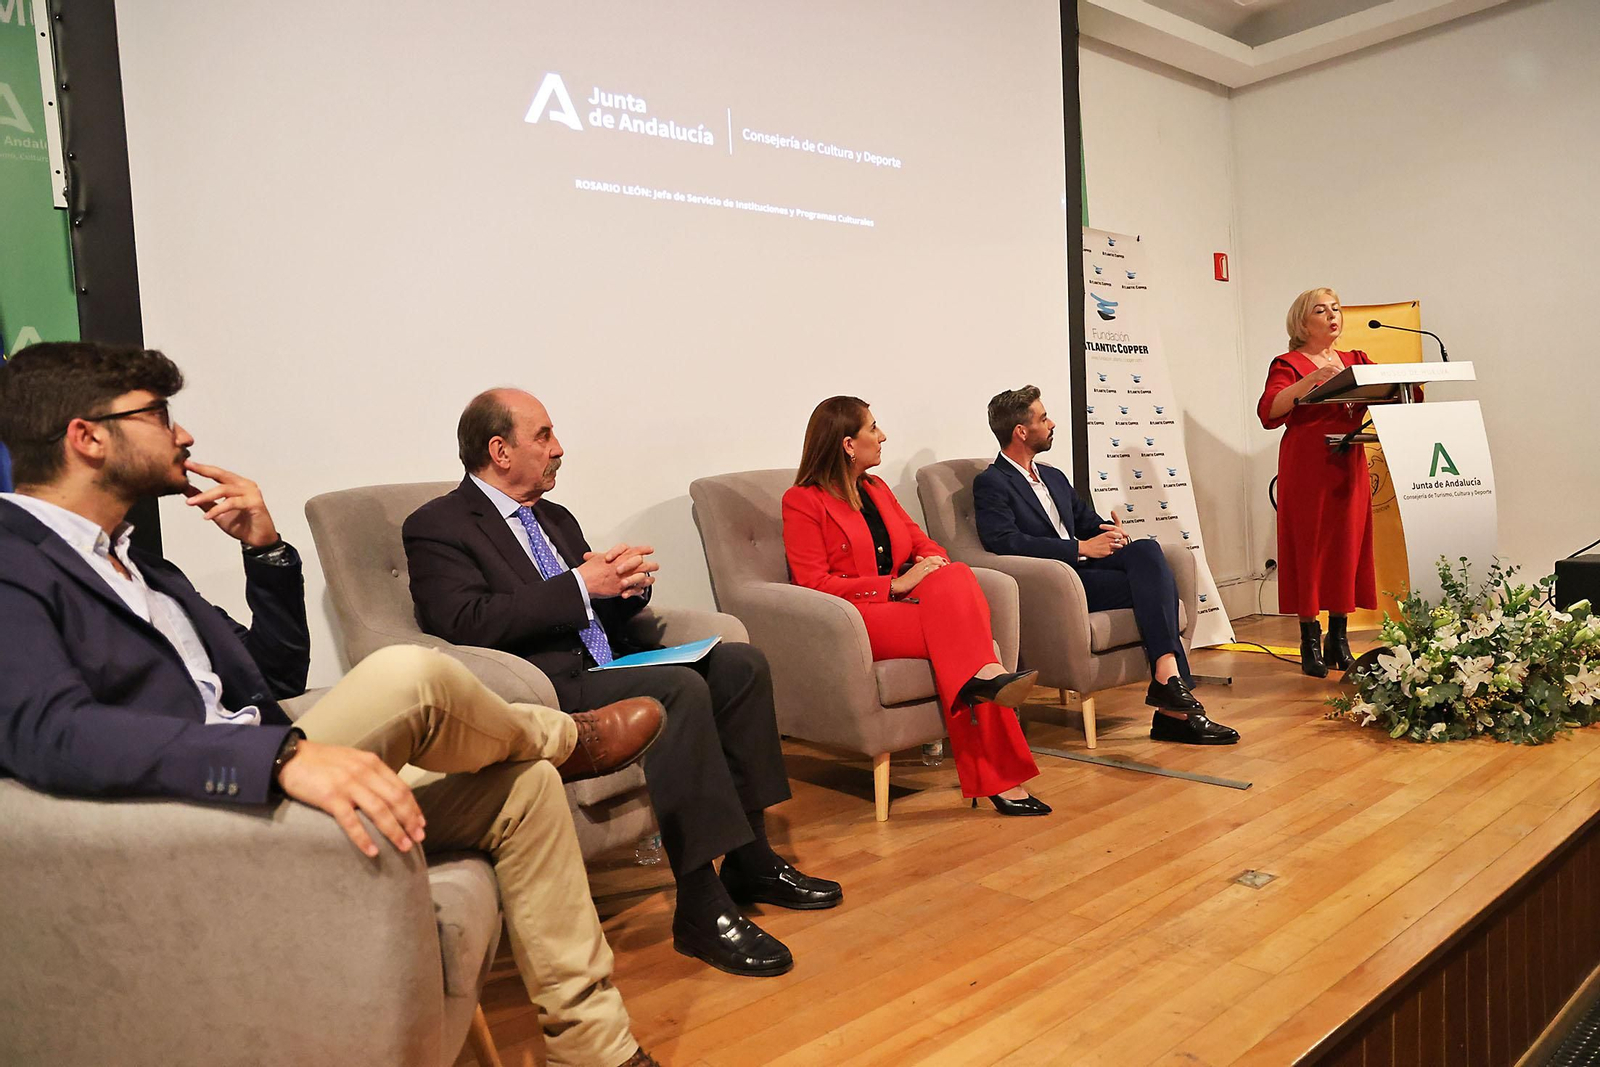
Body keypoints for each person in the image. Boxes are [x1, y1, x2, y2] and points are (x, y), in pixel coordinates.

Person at [0, 343, 666, 1067]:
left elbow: (275, 670)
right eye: (159, 414)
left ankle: (598, 1051)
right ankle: (566, 737)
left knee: (525, 790)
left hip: (266, 770)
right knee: (411, 672)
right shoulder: (15, 562)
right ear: (86, 437)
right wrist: (276, 757)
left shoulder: (142, 564)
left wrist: (266, 551)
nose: (183, 434)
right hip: (191, 816)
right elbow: (50, 731)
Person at [403, 388, 841, 981]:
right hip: (547, 688)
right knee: (678, 692)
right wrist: (583, 585)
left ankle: (751, 857)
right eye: (544, 436)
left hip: (605, 663)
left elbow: (592, 607)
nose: (559, 449)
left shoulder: (554, 518)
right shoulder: (437, 526)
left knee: (740, 664)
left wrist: (625, 588)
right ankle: (699, 903)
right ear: (499, 450)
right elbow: (464, 622)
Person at [781, 396, 1049, 816]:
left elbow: (920, 540)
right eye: (873, 428)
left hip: (907, 606)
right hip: (858, 618)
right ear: (848, 444)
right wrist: (895, 584)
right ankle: (1000, 771)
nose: (882, 435)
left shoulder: (877, 489)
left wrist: (931, 561)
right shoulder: (803, 501)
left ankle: (986, 681)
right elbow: (813, 583)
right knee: (972, 643)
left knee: (957, 575)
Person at [973, 386, 1239, 745]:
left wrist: (1110, 533)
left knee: (1146, 551)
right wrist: (1079, 548)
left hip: (1087, 571)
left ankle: (1168, 679)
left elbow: (1085, 520)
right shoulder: (992, 482)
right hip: (1061, 582)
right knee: (1158, 589)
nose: (1052, 424)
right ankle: (1173, 707)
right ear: (1021, 431)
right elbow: (1004, 541)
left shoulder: (1052, 476)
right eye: (1043, 418)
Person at [1257, 287, 1377, 678]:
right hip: (1307, 465)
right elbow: (1269, 411)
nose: (1332, 316)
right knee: (1309, 547)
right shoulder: (1288, 363)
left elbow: (1391, 388)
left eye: (1336, 309)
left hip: (1347, 459)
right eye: (1321, 311)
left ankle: (1338, 638)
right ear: (1302, 322)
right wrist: (1311, 381)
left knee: (1346, 544)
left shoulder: (1355, 360)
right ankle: (1309, 637)